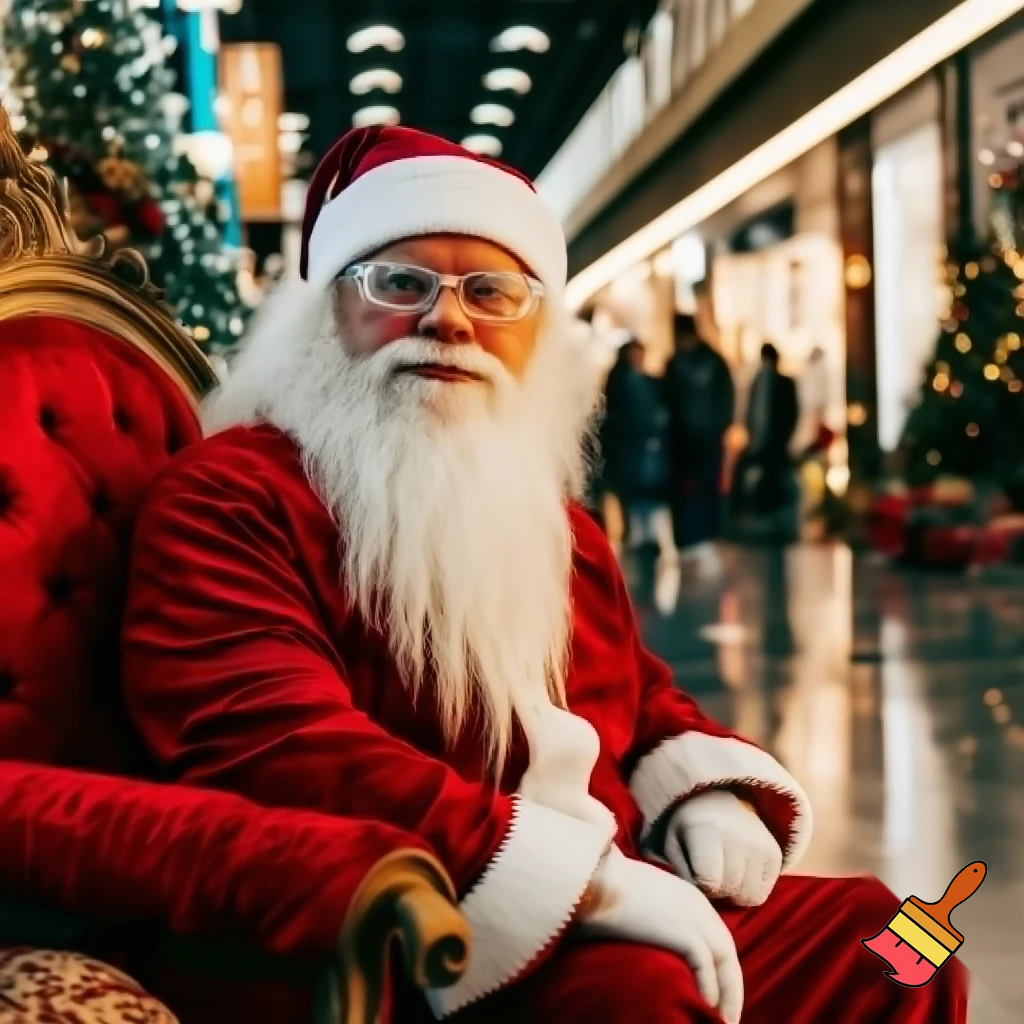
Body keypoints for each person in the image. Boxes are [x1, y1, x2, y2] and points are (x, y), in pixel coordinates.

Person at [122, 126, 966, 1024]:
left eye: (491, 292)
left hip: (609, 877)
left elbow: (636, 693)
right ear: (329, 311)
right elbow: (271, 742)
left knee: (900, 943)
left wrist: (705, 794)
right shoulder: (231, 497)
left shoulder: (549, 518)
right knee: (643, 997)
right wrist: (584, 884)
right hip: (424, 922)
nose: (450, 321)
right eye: (401, 284)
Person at [664, 312, 735, 581]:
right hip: (698, 440)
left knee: (694, 491)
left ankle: (696, 541)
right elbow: (726, 398)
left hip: (690, 440)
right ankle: (696, 541)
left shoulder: (678, 364)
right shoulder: (714, 362)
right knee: (700, 490)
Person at [598, 338, 676, 565]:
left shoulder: (635, 381)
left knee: (644, 492)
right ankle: (640, 536)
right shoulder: (625, 381)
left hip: (639, 450)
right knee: (637, 492)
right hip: (633, 449)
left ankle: (644, 536)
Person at [734, 343, 800, 533]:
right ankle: (761, 517)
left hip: (776, 442)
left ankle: (772, 519)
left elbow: (791, 414)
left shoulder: (784, 383)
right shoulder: (757, 382)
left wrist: (784, 438)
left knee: (773, 479)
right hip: (759, 441)